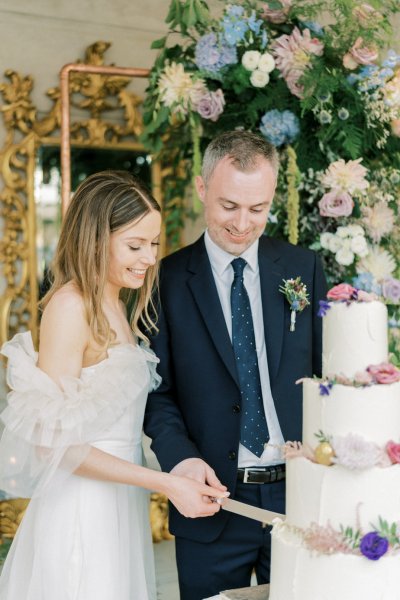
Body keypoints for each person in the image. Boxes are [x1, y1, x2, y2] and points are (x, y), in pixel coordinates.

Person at [0, 170, 228, 600]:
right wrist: (163, 482)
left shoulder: (118, 304)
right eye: (134, 245)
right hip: (81, 510)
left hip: (118, 504)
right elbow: (54, 445)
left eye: (154, 244)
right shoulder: (71, 307)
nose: (148, 258)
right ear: (96, 239)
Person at [144, 131, 327, 600]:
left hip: (300, 496)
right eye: (229, 206)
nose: (243, 224)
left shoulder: (303, 268)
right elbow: (155, 392)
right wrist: (181, 461)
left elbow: (328, 377)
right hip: (211, 501)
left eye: (258, 208)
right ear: (202, 189)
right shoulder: (162, 280)